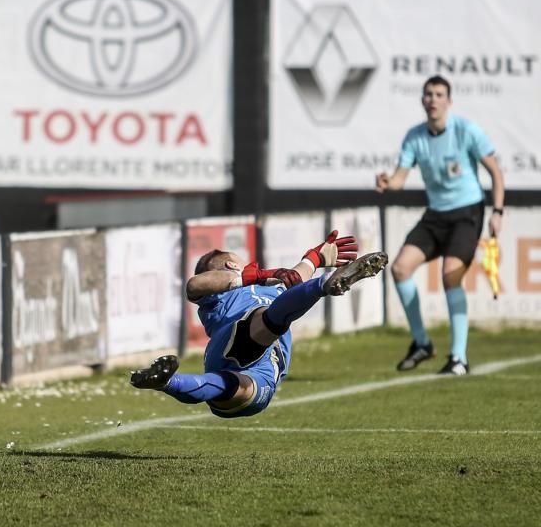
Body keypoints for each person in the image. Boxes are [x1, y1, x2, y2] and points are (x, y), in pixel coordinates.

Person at [130, 231, 387, 418]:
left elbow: (296, 277)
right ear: (231, 265)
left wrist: (314, 259)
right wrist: (258, 275)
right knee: (262, 317)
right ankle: (324, 285)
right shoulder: (217, 293)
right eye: (240, 261)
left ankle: (164, 382)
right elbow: (194, 285)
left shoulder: (271, 286)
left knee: (237, 388)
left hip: (263, 373)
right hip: (231, 341)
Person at [375, 75, 505, 376]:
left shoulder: (465, 130)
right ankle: (422, 343)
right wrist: (387, 182)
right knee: (400, 268)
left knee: (450, 275)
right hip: (435, 215)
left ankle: (459, 358)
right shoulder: (415, 137)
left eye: (439, 94)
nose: (433, 99)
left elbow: (496, 172)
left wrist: (497, 212)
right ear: (423, 100)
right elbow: (399, 179)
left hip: (467, 213)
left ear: (448, 100)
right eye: (428, 94)